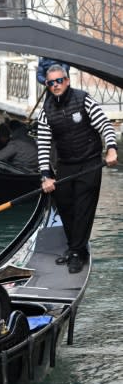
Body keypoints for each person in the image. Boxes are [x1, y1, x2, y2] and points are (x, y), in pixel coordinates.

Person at [38, 64, 118, 273]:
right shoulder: (46, 110)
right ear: (47, 85)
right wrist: (45, 176)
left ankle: (75, 251)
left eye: (59, 81)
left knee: (83, 207)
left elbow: (105, 125)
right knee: (63, 203)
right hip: (65, 163)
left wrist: (111, 149)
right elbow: (44, 146)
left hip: (90, 161)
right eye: (51, 83)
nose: (55, 85)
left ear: (67, 81)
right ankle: (78, 246)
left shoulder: (84, 99)